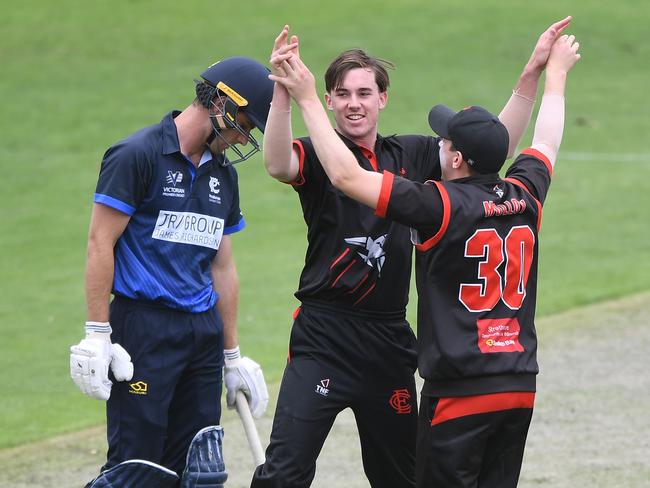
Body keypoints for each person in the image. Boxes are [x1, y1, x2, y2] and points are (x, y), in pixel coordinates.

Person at [251, 18, 573, 488]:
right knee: (284, 473)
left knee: (401, 477)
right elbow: (279, 164)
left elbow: (489, 147)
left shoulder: (416, 155)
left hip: (388, 339)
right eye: (342, 93)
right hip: (323, 336)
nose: (354, 103)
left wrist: (529, 77)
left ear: (383, 98)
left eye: (364, 93)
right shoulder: (320, 149)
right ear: (329, 101)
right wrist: (284, 93)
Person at [70, 56, 274, 487]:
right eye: (245, 123)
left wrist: (232, 353)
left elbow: (223, 264)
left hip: (201, 334)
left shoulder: (224, 176)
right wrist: (97, 332)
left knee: (201, 471)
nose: (245, 137)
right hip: (144, 330)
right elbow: (99, 242)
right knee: (138, 471)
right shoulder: (136, 155)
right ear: (221, 103)